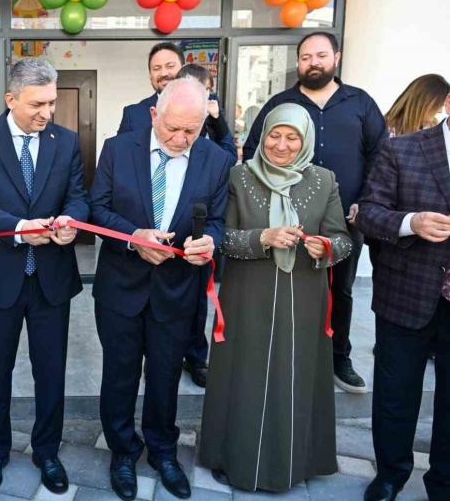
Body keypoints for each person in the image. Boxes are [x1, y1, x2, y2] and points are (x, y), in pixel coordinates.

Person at [90, 77, 235, 500]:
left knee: (166, 375)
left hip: (177, 289)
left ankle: (162, 450)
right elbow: (97, 209)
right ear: (154, 115)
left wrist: (209, 243)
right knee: (119, 375)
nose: (180, 139)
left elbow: (218, 221)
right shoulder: (118, 149)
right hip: (121, 287)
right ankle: (122, 451)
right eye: (173, 128)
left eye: (191, 130)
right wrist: (133, 236)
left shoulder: (215, 159)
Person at [200, 103, 352, 492]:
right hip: (247, 296)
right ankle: (233, 458)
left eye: (292, 137)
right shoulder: (239, 176)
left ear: (306, 141)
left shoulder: (324, 180)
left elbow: (342, 239)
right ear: (263, 134)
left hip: (304, 297)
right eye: (274, 135)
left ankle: (296, 463)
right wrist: (262, 237)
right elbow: (222, 239)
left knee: (295, 375)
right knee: (244, 376)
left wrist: (325, 247)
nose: (281, 145)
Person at [0, 58, 89, 495]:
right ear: (10, 98)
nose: (46, 112)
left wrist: (70, 221)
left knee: (51, 371)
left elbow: (79, 197)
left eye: (51, 103)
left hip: (51, 278)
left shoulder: (65, 141)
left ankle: (47, 452)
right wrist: (18, 229)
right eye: (37, 104)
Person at [242, 31, 387, 393]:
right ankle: (282, 354)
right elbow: (253, 152)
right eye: (306, 57)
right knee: (281, 287)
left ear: (336, 57)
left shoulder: (360, 103)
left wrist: (367, 200)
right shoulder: (280, 103)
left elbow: (381, 157)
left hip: (344, 218)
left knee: (341, 290)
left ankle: (338, 357)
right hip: (282, 217)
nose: (313, 63)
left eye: (321, 55)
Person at [356, 121, 450, 501]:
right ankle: (390, 475)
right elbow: (367, 214)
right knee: (395, 395)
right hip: (406, 295)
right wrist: (411, 222)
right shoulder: (402, 149)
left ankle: (444, 484)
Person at [173, 63, 237, 387]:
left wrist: (216, 118)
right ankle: (161, 356)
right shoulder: (167, 114)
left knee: (198, 300)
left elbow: (229, 156)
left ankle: (196, 357)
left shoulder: (213, 121)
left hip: (201, 223)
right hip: (167, 223)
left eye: (204, 89)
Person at [116, 42, 184, 136]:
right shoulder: (133, 114)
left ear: (184, 69)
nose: (163, 73)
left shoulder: (202, 108)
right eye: (156, 68)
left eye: (170, 66)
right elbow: (120, 145)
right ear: (150, 76)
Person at [385, 74, 450, 136]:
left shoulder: (434, 128)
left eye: (442, 105)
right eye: (437, 104)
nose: (440, 111)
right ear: (422, 101)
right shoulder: (385, 129)